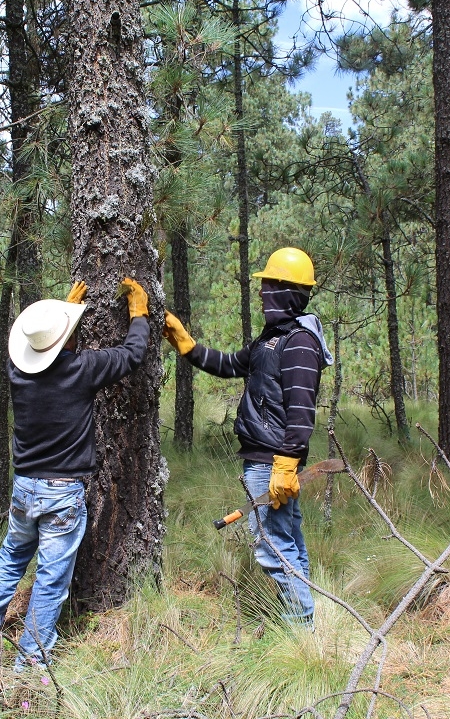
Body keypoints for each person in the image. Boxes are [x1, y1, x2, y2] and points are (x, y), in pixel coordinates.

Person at [0, 277, 150, 670]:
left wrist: (62, 319)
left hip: (24, 487)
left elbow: (48, 353)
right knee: (51, 577)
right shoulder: (81, 369)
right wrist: (139, 314)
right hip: (61, 492)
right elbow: (131, 354)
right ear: (68, 340)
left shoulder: (19, 373)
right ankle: (31, 658)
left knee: (12, 557)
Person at [163, 247, 331, 627]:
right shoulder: (272, 338)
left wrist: (287, 465)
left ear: (285, 290)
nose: (261, 292)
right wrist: (186, 345)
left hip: (273, 463)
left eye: (267, 284)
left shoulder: (300, 342)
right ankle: (304, 628)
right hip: (266, 460)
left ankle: (300, 632)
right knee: (288, 545)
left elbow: (302, 409)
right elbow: (229, 365)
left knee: (273, 548)